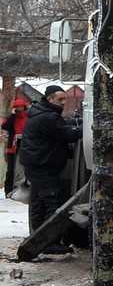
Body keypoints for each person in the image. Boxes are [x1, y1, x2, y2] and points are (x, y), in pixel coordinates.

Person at [19, 86, 81, 257]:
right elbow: (67, 134)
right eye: (60, 100)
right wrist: (87, 127)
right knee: (54, 202)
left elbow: (61, 128)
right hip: (43, 165)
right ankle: (49, 242)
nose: (63, 103)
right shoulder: (47, 117)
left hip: (37, 163)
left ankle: (37, 238)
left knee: (39, 202)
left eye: (64, 99)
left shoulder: (41, 114)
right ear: (49, 99)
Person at [3, 91, 25, 198]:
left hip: (25, 145)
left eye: (21, 107)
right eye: (17, 107)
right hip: (13, 146)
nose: (19, 109)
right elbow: (5, 126)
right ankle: (9, 189)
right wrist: (12, 115)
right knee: (11, 169)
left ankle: (20, 187)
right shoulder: (11, 118)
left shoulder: (27, 117)